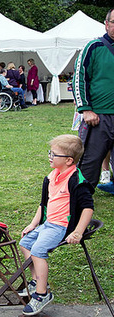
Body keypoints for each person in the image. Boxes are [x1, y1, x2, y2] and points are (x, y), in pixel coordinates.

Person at [19, 134, 94, 316]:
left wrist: (77, 232)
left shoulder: (77, 181)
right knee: (25, 243)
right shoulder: (52, 176)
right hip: (47, 224)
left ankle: (42, 294)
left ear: (69, 161)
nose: (50, 157)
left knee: (38, 250)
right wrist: (33, 224)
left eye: (54, 154)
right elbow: (43, 204)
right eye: (50, 153)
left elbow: (87, 209)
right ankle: (37, 280)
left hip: (61, 227)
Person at [72, 8, 114, 190]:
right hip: (99, 117)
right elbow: (79, 78)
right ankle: (80, 200)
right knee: (91, 161)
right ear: (106, 24)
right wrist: (86, 109)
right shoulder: (94, 47)